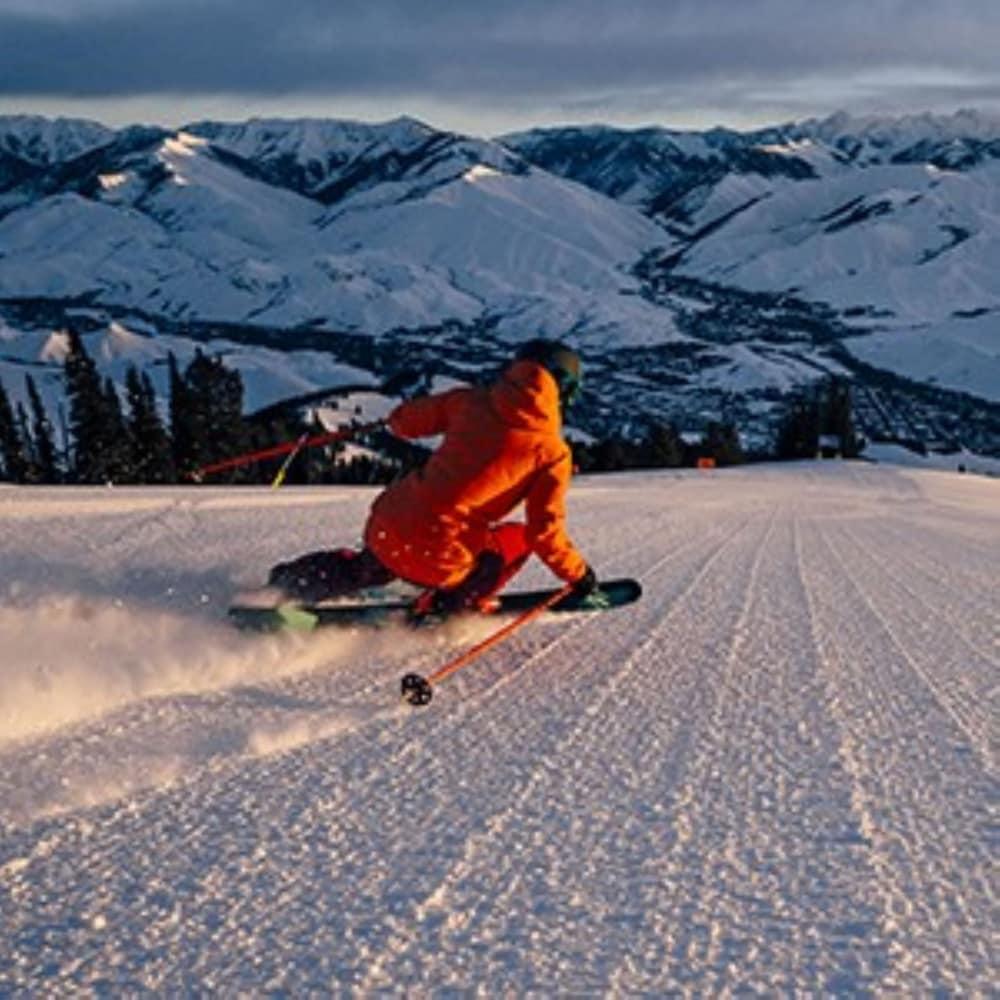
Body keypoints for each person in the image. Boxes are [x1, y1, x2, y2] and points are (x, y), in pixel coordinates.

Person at [268, 339, 599, 616]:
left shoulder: (470, 401)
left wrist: (392, 421)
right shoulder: (553, 454)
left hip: (388, 525)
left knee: (366, 567)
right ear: (564, 392)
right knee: (511, 544)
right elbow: (544, 533)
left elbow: (404, 422)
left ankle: (289, 581)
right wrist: (580, 575)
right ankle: (449, 606)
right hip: (441, 558)